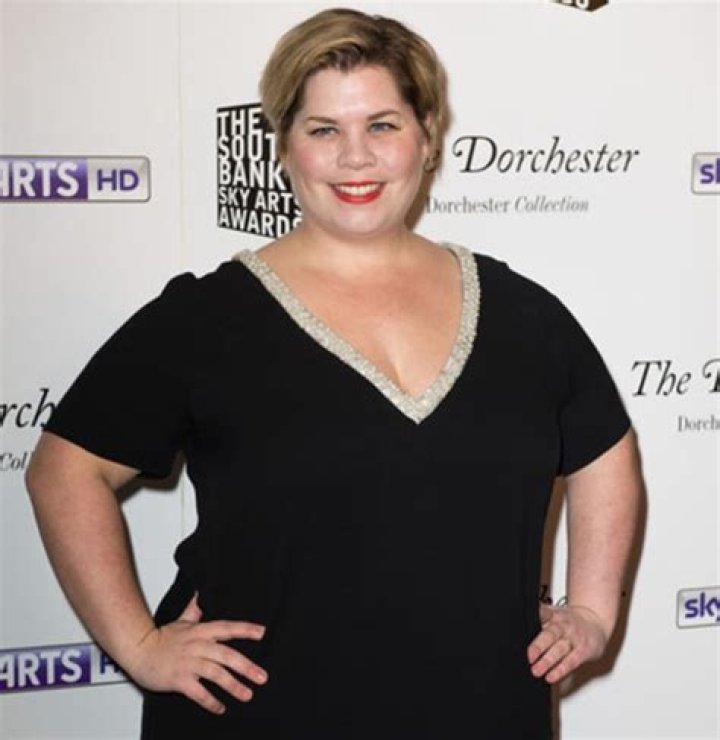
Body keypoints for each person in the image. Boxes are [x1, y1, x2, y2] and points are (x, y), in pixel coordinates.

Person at [25, 8, 643, 739]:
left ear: (427, 134)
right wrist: (139, 645)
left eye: (382, 125)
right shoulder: (205, 319)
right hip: (259, 717)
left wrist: (592, 610)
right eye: (323, 130)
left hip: (481, 713)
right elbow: (65, 472)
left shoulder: (523, 314)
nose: (356, 158)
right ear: (284, 146)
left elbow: (605, 451)